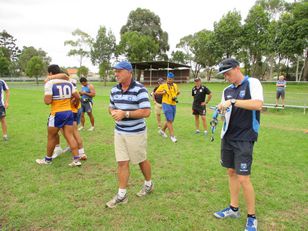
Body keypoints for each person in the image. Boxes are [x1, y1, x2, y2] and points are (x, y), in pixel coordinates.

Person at [213, 58, 263, 231]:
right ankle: (234, 208)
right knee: (231, 172)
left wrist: (233, 102)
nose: (226, 77)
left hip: (245, 137)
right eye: (224, 75)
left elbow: (258, 104)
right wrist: (221, 109)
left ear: (237, 68)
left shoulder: (252, 83)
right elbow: (226, 111)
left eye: (228, 73)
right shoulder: (227, 90)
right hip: (228, 137)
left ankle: (252, 217)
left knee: (243, 177)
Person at [106, 61, 153, 208]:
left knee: (141, 160)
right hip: (119, 132)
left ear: (128, 72)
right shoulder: (114, 90)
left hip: (136, 133)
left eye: (119, 71)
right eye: (115, 71)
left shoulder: (140, 89)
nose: (116, 74)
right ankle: (122, 195)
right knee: (122, 162)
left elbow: (146, 112)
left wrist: (125, 113)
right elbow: (111, 107)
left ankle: (148, 184)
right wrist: (113, 112)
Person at [36, 64, 81, 167]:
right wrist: (75, 103)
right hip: (69, 112)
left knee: (51, 136)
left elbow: (47, 101)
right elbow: (77, 96)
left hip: (57, 113)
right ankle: (76, 159)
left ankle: (47, 160)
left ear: (50, 73)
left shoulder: (49, 83)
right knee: (69, 136)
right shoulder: (68, 83)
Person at [155, 72, 180, 143]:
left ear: (173, 79)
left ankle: (162, 131)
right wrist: (162, 92)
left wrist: (175, 96)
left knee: (171, 120)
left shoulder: (175, 85)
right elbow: (156, 92)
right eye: (168, 79)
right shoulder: (163, 85)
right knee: (169, 120)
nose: (169, 80)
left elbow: (178, 92)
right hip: (166, 103)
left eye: (171, 79)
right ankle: (172, 136)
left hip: (173, 104)